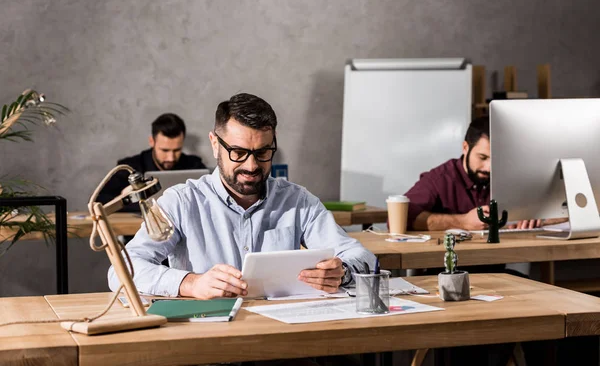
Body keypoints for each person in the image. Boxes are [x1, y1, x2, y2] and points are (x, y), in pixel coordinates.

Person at [108, 93, 376, 298]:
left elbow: (363, 257)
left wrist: (343, 272)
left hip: (278, 343)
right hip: (207, 346)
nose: (251, 166)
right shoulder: (179, 202)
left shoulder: (298, 201)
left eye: (262, 153)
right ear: (215, 144)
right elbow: (120, 271)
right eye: (238, 152)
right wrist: (191, 283)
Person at [405, 116, 541, 232]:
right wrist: (462, 222)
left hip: (497, 259)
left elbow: (558, 211)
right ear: (465, 148)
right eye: (482, 157)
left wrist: (535, 215)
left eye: (496, 159)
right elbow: (401, 218)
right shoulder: (439, 179)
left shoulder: (508, 176)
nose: (489, 168)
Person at [98, 113, 206, 212]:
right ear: (151, 142)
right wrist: (126, 199)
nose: (171, 158)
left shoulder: (194, 165)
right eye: (165, 150)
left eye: (177, 150)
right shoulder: (131, 167)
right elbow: (99, 202)